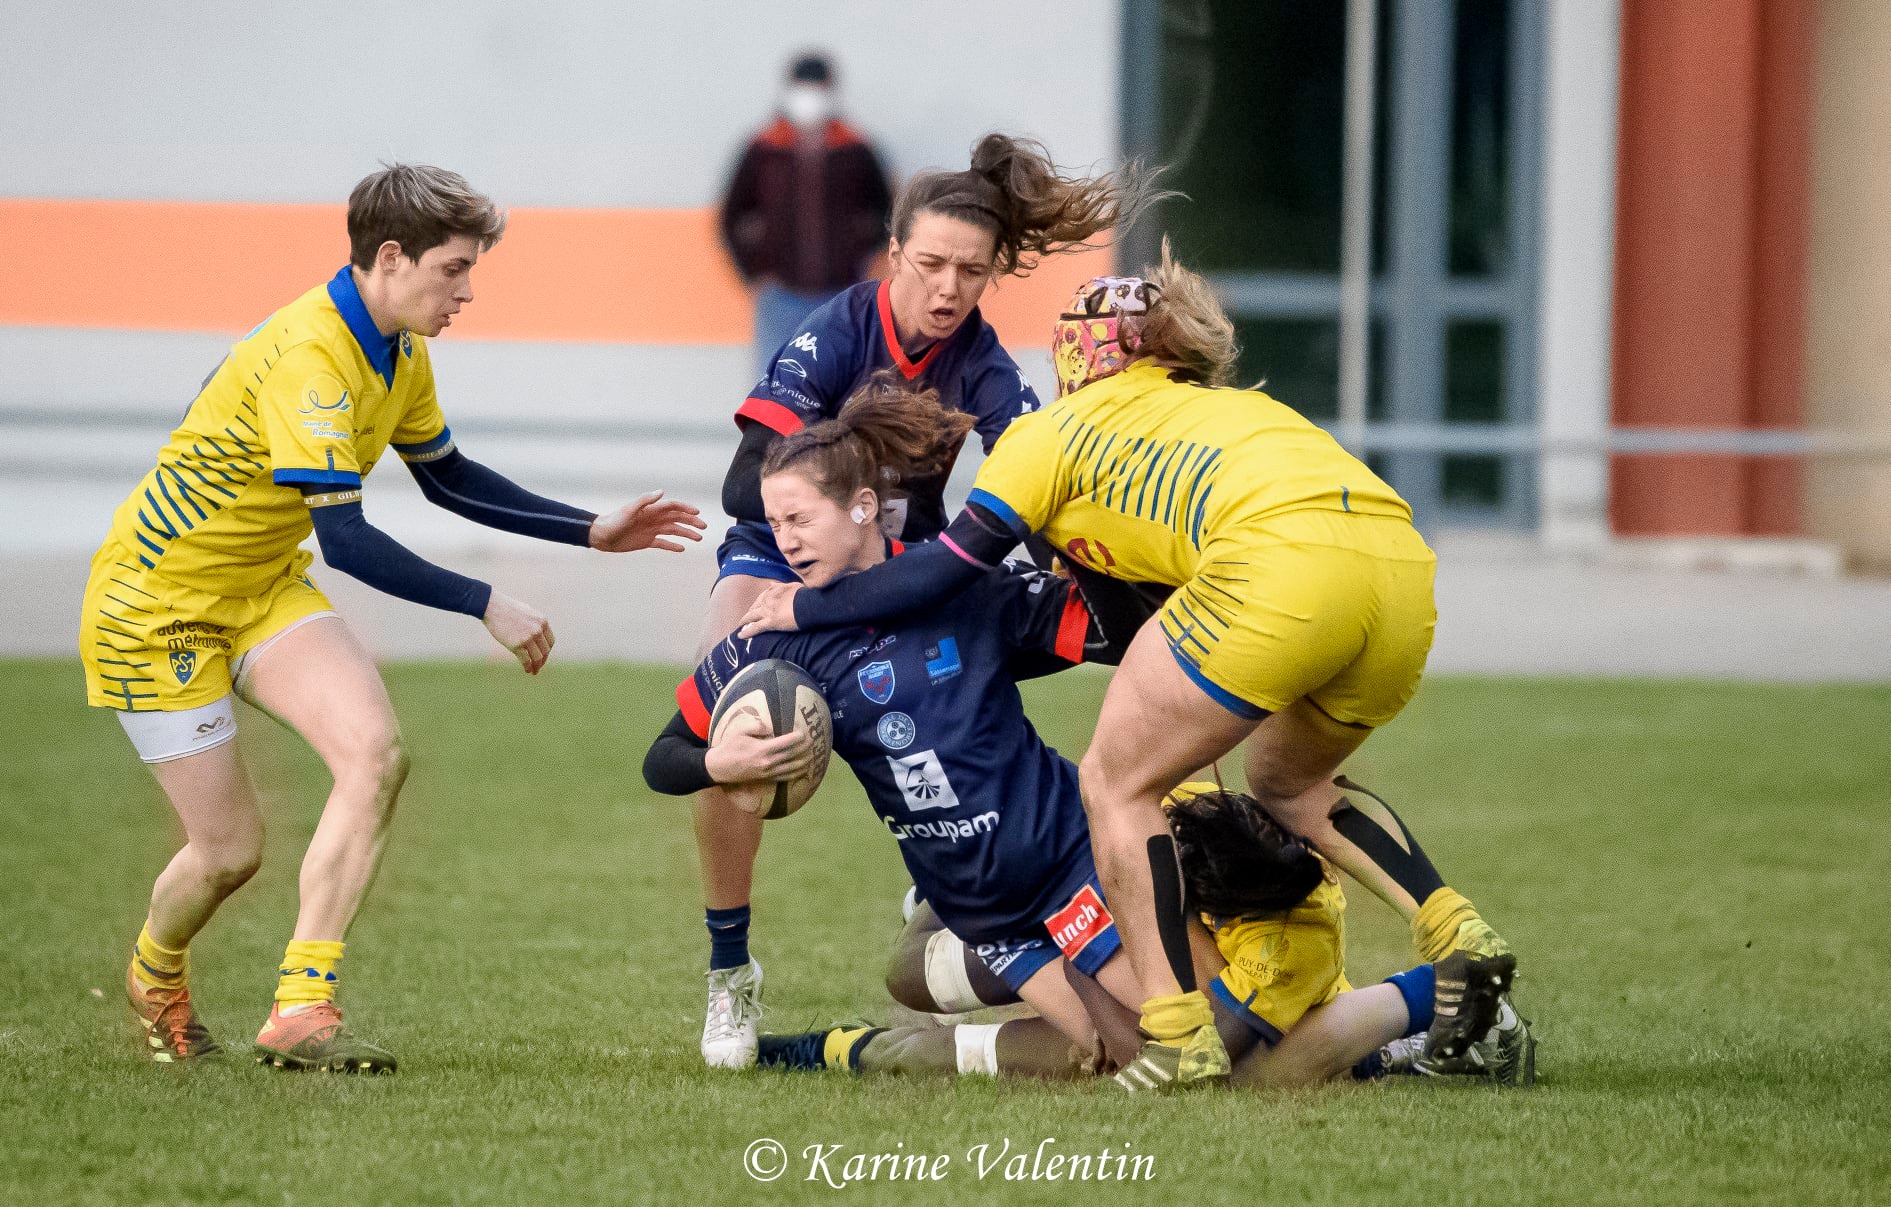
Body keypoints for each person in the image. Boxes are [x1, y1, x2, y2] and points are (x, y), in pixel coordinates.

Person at [735, 247, 1521, 1090]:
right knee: (1290, 783)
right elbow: (1128, 613)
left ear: (1077, 355)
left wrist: (802, 607)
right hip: (1396, 559)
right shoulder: (1214, 407)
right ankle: (1454, 929)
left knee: (1113, 783)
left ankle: (1178, 1035)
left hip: (1272, 565)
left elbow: (949, 565)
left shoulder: (1051, 432)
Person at [82, 163, 705, 1072]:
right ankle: (156, 969)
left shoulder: (398, 349)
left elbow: (447, 475)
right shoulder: (311, 358)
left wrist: (590, 530)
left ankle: (301, 1004)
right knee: (228, 852)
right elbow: (350, 543)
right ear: (389, 256)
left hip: (259, 589)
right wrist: (485, 600)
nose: (466, 290)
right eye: (453, 268)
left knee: (375, 753)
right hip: (154, 607)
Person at [689, 133, 1165, 1069]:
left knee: (963, 683)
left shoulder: (985, 368)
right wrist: (836, 494)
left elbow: (1039, 493)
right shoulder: (833, 333)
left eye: (972, 272)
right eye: (932, 264)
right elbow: (747, 488)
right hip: (785, 548)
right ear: (895, 253)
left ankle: (952, 880)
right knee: (727, 733)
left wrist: (1060, 564)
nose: (949, 288)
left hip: (902, 558)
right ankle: (728, 970)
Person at [646, 378, 1157, 1073]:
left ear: (862, 508)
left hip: (1067, 856)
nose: (784, 541)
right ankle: (856, 1048)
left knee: (1160, 1042)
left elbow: (1118, 633)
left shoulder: (958, 586)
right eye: (774, 523)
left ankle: (1348, 1040)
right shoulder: (774, 632)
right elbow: (664, 754)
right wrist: (720, 764)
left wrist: (1074, 525)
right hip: (980, 908)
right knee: (1109, 1055)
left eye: (799, 519)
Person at [756, 784, 1534, 1089]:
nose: (1165, 865)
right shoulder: (1191, 805)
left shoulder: (1289, 941)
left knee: (1248, 1083)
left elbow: (1195, 1060)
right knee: (910, 976)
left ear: (1223, 901)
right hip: (1072, 920)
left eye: (1184, 878)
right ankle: (951, 891)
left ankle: (1443, 1011)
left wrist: (1079, 957)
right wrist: (1054, 923)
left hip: (1121, 961)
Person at [718, 52, 893, 374]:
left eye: (818, 88)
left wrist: (863, 258)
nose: (810, 96)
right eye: (803, 87)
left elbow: (887, 210)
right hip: (780, 294)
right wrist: (752, 271)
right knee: (775, 387)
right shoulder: (764, 149)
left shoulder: (854, 149)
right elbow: (731, 216)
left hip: (841, 293)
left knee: (840, 384)